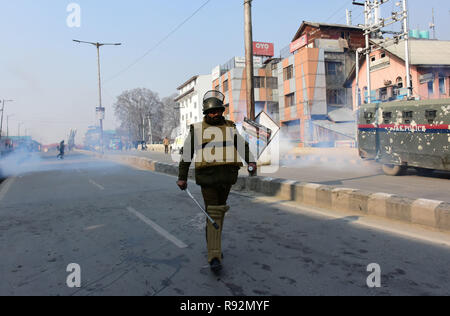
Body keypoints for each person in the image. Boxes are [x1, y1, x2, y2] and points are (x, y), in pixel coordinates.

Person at [177, 90, 257, 274]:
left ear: (222, 111)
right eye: (211, 112)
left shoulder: (230, 127)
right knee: (213, 213)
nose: (215, 114)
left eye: (218, 111)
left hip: (227, 178)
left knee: (219, 214)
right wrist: (182, 177)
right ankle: (214, 255)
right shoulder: (197, 130)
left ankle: (215, 247)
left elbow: (241, 145)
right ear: (206, 113)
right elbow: (187, 155)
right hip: (208, 179)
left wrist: (250, 161)